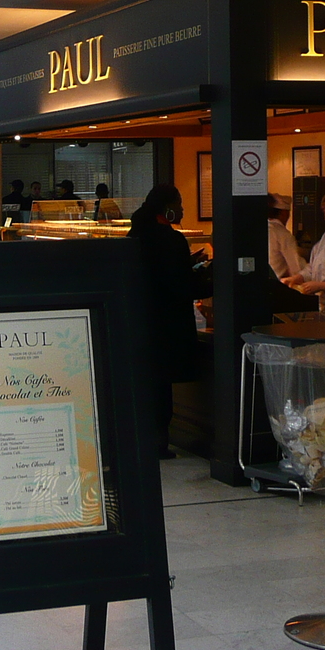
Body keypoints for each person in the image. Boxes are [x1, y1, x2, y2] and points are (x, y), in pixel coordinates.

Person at [127, 184, 198, 459]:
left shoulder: (136, 233)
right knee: (161, 390)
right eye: (179, 204)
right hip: (166, 326)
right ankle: (159, 443)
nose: (182, 210)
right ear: (166, 209)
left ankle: (145, 440)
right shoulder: (171, 240)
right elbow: (179, 284)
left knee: (145, 386)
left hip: (140, 321)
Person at [267, 194, 306, 279]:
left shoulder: (262, 229)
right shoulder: (283, 234)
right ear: (284, 213)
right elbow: (295, 266)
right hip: (277, 282)